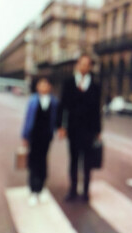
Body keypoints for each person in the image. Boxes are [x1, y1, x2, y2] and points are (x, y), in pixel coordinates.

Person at [57, 54, 102, 202]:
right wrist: (61, 126)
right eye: (82, 64)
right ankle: (73, 190)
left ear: (89, 67)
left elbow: (97, 110)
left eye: (87, 64)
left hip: (89, 130)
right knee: (74, 161)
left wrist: (98, 131)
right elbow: (62, 106)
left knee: (87, 163)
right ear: (77, 65)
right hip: (73, 129)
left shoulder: (95, 85)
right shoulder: (69, 83)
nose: (84, 67)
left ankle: (86, 192)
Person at [21, 77, 59, 206]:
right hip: (34, 135)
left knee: (43, 162)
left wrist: (57, 130)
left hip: (46, 137)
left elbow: (57, 118)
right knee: (33, 162)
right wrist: (24, 136)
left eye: (46, 85)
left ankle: (41, 188)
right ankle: (33, 189)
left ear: (50, 87)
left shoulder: (54, 102)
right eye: (41, 85)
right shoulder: (32, 100)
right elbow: (27, 119)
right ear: (37, 87)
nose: (43, 87)